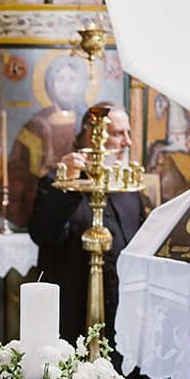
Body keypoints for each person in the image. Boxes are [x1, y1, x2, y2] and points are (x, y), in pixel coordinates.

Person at [29, 103, 144, 346]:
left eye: (128, 133)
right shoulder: (58, 181)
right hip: (73, 319)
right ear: (94, 134)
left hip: (122, 320)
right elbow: (44, 234)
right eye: (118, 134)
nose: (128, 142)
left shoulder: (126, 188)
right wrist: (68, 182)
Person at [7, 53, 90, 227]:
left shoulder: (87, 123)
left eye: (72, 80)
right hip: (46, 204)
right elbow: (17, 168)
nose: (66, 86)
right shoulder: (36, 125)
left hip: (84, 207)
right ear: (50, 85)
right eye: (60, 80)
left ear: (81, 84)